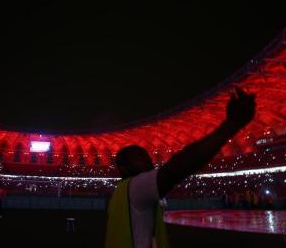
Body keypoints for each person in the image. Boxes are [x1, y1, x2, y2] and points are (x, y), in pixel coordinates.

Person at [105, 87, 255, 248]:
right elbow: (179, 166)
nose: (149, 162)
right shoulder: (135, 187)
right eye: (140, 158)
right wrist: (231, 125)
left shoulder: (120, 194)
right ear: (124, 168)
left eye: (147, 157)